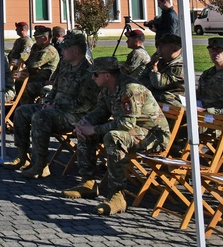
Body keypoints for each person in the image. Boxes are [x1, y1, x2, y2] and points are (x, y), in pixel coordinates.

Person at [67, 56, 170, 215]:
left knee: (113, 137)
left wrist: (94, 129)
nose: (92, 77)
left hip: (153, 136)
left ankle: (117, 195)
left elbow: (126, 124)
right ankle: (88, 182)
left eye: (95, 74)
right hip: (133, 131)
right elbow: (101, 111)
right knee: (86, 133)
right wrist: (84, 123)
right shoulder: (108, 88)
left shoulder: (130, 89)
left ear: (107, 75)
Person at [5, 32, 98, 179]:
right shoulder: (65, 64)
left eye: (65, 49)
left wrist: (55, 105)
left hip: (75, 115)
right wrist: (48, 101)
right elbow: (55, 87)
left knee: (41, 117)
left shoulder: (88, 72)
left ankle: (41, 164)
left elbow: (85, 104)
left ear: (76, 51)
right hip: (56, 108)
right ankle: (23, 157)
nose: (62, 51)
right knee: (22, 111)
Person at [141, 33, 185, 106]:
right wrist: (151, 64)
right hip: (159, 95)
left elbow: (159, 84)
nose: (158, 49)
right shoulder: (161, 61)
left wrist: (154, 67)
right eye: (158, 46)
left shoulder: (180, 67)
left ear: (175, 49)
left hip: (175, 99)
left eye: (162, 46)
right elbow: (142, 79)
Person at [21, 25, 61, 103]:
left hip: (46, 80)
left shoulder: (49, 50)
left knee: (27, 87)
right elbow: (28, 61)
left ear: (45, 38)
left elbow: (33, 65)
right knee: (18, 82)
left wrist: (30, 66)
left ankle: (26, 109)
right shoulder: (37, 47)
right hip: (34, 76)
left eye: (37, 38)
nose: (35, 40)